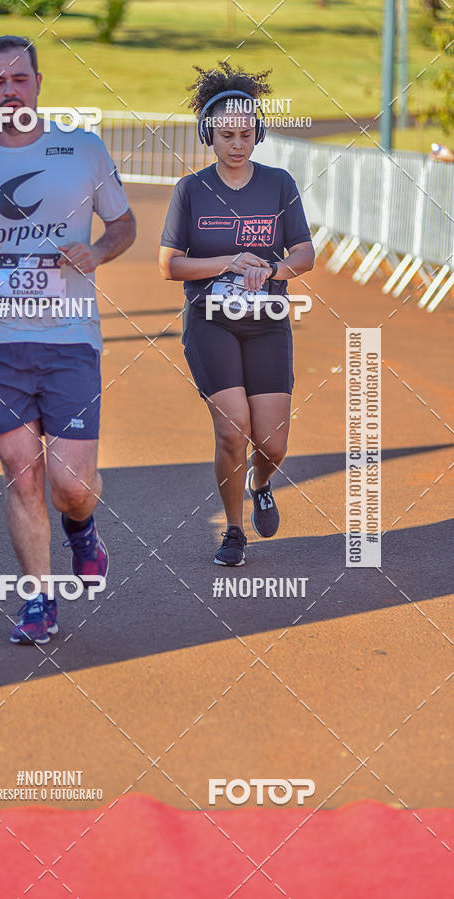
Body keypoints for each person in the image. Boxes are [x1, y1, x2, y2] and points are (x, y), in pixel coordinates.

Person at [0, 35, 136, 643]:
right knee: (22, 474)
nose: (10, 90)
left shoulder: (83, 150)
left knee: (71, 486)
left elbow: (123, 224)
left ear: (39, 84)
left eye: (20, 78)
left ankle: (83, 530)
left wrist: (97, 251)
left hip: (70, 335)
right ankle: (38, 600)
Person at [159, 62, 314, 566]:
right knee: (233, 430)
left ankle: (260, 481)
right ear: (209, 134)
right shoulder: (190, 190)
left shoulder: (279, 184)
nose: (237, 144)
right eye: (226, 135)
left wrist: (274, 270)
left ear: (259, 133)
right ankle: (232, 530)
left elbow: (305, 253)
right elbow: (169, 265)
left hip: (267, 323)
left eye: (246, 134)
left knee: (272, 444)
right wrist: (228, 261)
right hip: (210, 321)